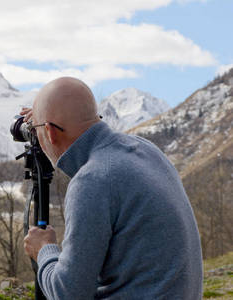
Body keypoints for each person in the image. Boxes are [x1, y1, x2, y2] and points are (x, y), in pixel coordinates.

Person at [22, 77, 203, 299]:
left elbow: (68, 294)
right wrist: (45, 114)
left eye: (37, 130)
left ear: (49, 132)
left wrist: (44, 250)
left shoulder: (92, 180)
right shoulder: (146, 150)